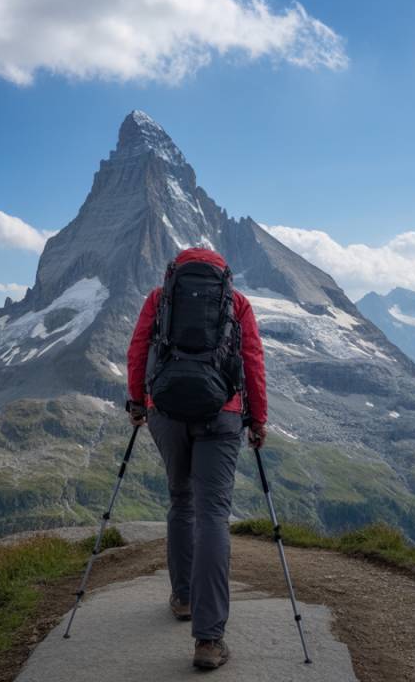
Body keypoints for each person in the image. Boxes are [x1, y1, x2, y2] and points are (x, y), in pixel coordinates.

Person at [125, 247, 267, 670]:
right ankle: (208, 640)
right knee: (212, 516)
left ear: (176, 273)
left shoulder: (158, 298)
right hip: (221, 414)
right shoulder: (237, 303)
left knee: (180, 501)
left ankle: (183, 597)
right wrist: (257, 418)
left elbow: (137, 350)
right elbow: (253, 361)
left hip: (165, 411)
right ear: (223, 276)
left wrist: (137, 401)